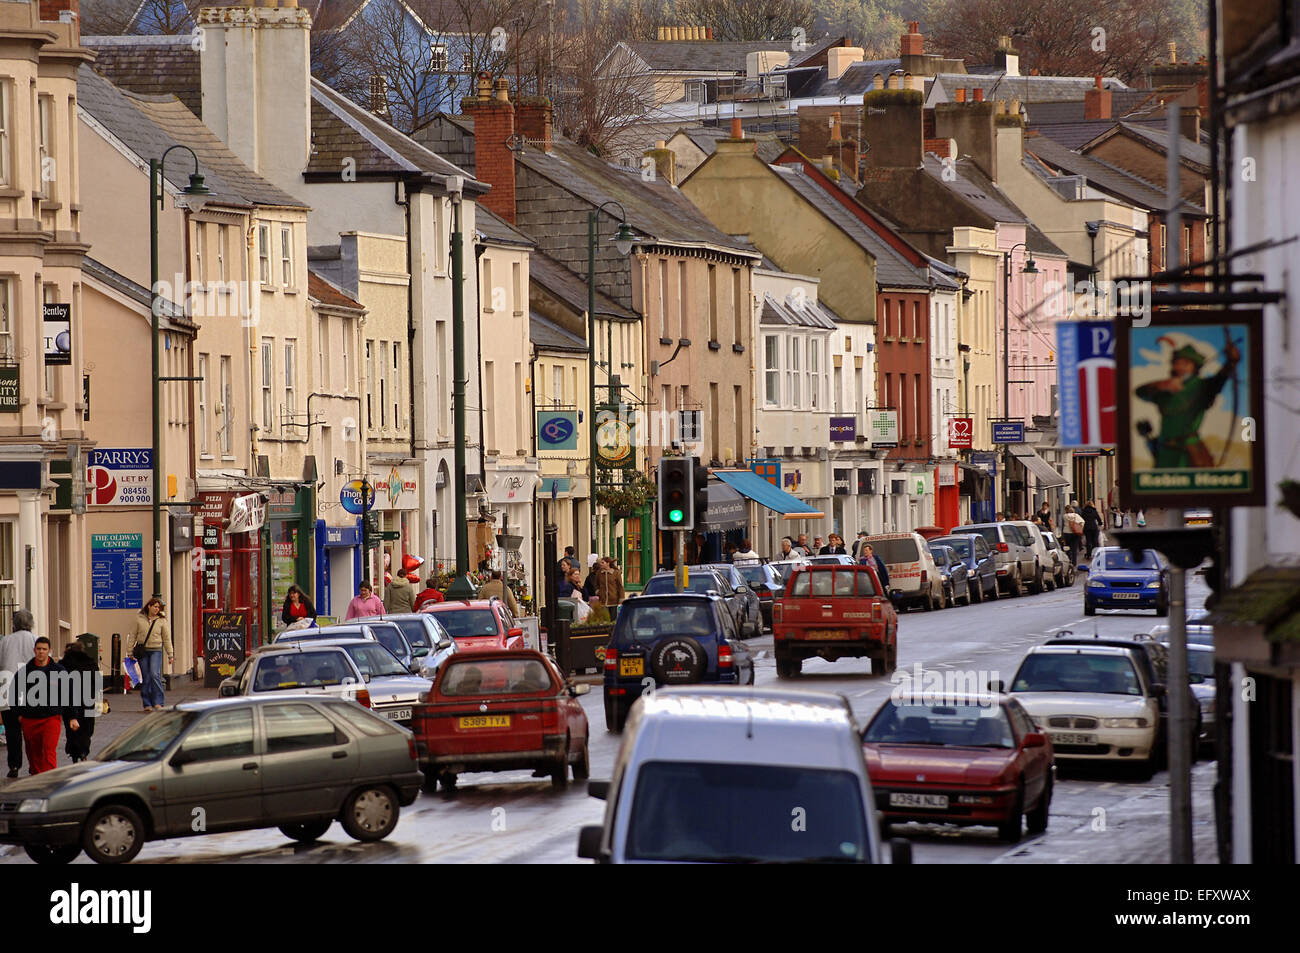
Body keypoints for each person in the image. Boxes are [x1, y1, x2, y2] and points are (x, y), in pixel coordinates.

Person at [1135, 340, 1240, 468]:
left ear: (1194, 367)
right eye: (1177, 363)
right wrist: (1162, 385)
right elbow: (1140, 392)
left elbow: (1219, 380)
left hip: (1191, 452)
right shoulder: (1165, 390)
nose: (1180, 367)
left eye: (1185, 364)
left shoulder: (1202, 387)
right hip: (1165, 452)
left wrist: (1231, 362)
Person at [16, 637, 80, 774]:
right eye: (38, 649)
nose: (41, 652)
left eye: (44, 649)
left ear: (49, 651)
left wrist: (72, 717)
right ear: (34, 650)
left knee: (49, 750)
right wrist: (19, 714)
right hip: (30, 719)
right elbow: (15, 693)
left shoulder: (59, 671)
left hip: (51, 718)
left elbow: (68, 694)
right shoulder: (24, 672)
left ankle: (50, 780)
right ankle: (37, 778)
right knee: (33, 754)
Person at [0, 610, 38, 777]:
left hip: (8, 690)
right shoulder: (35, 640)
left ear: (14, 623)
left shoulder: (5, 641)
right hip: (32, 691)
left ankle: (14, 765)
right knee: (32, 730)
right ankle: (34, 764)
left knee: (12, 730)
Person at [130, 597, 174, 712]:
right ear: (149, 606)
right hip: (143, 651)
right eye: (155, 606)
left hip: (156, 650)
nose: (157, 609)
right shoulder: (139, 618)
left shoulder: (161, 620)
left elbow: (167, 638)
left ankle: (159, 702)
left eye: (158, 607)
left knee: (154, 674)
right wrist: (130, 651)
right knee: (146, 677)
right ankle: (147, 703)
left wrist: (170, 654)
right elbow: (133, 635)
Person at [60, 635, 99, 763]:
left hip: (70, 701)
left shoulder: (63, 664)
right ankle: (83, 751)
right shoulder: (91, 664)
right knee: (86, 728)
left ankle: (74, 752)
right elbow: (97, 685)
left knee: (71, 727)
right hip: (87, 700)